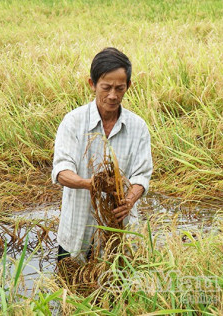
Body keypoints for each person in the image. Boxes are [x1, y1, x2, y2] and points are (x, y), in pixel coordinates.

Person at [51, 47, 153, 262]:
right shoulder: (73, 122)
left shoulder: (138, 127)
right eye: (106, 88)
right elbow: (61, 171)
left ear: (129, 86)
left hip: (119, 235)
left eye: (120, 88)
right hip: (77, 234)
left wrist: (130, 199)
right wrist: (92, 184)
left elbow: (142, 175)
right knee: (70, 291)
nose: (113, 95)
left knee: (118, 291)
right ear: (92, 84)